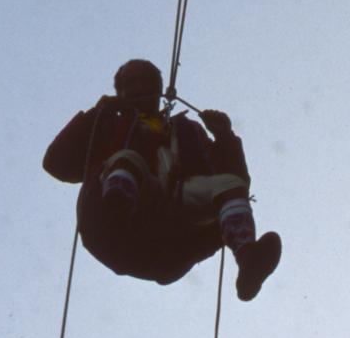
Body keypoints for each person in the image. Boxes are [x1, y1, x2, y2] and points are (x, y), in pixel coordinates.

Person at [43, 59, 282, 300]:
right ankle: (118, 216)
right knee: (127, 159)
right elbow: (56, 164)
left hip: (174, 226)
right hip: (120, 230)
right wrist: (96, 114)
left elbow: (235, 181)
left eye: (145, 81)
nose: (138, 88)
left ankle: (248, 259)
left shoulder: (188, 131)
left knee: (229, 185)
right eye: (130, 83)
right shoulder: (110, 125)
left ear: (157, 88)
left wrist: (225, 138)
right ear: (120, 93)